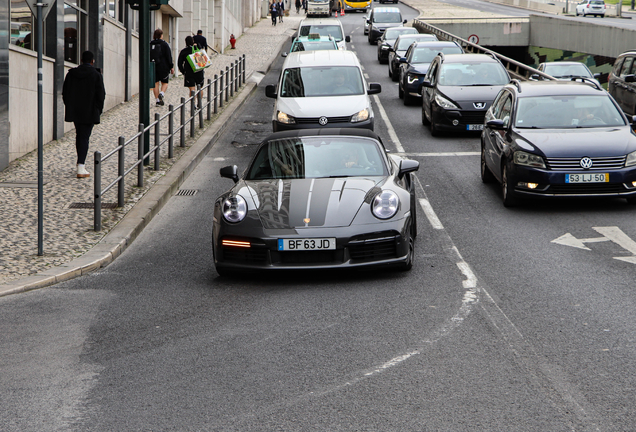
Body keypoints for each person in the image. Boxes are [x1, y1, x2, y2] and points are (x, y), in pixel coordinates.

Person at [62, 50, 106, 179]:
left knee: (79, 135)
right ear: (92, 61)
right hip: (90, 111)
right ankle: (81, 166)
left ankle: (79, 162)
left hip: (76, 110)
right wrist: (98, 110)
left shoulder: (71, 74)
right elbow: (101, 95)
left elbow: (65, 93)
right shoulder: (96, 75)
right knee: (84, 137)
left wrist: (70, 106)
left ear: (81, 60)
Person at [150, 28, 174, 106]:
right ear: (161, 35)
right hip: (163, 67)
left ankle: (157, 100)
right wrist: (171, 66)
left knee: (155, 83)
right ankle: (162, 93)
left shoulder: (150, 43)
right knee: (165, 82)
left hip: (153, 66)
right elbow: (168, 56)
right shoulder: (164, 44)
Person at [178, 36, 205, 102]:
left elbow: (179, 63)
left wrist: (183, 71)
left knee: (192, 89)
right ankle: (200, 103)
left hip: (189, 72)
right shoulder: (197, 49)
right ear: (193, 41)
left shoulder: (184, 51)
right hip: (199, 70)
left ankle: (193, 104)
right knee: (200, 88)